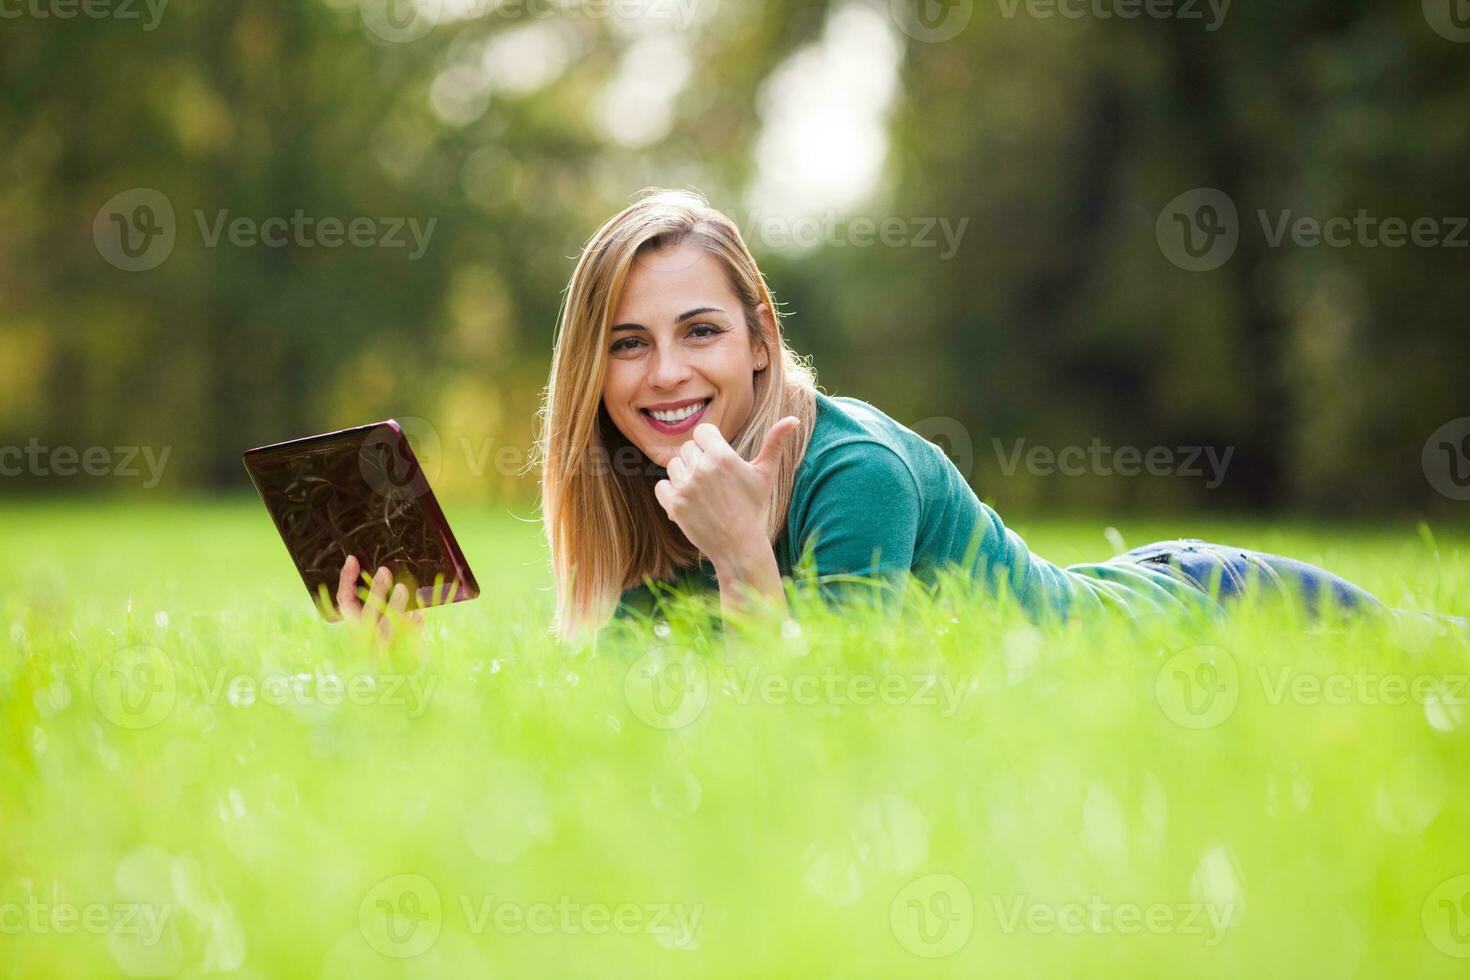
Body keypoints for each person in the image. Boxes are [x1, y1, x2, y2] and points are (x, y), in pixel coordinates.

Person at [337, 189, 1438, 643]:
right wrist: (400, 667)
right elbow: (628, 739)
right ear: (592, 372)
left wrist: (740, 558)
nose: (664, 372)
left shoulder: (851, 469)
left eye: (700, 331)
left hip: (1206, 614)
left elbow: (840, 730)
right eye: (627, 342)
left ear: (762, 335)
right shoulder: (652, 499)